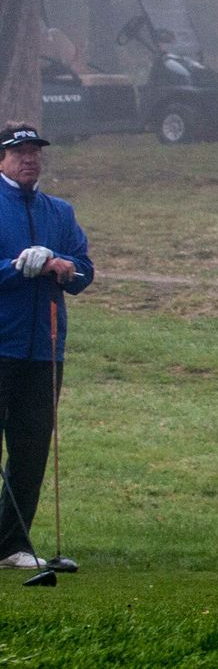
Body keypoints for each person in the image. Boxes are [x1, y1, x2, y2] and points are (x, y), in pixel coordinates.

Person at [0, 122, 93, 570]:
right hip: (1, 345)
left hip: (44, 350)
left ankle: (11, 544)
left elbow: (85, 271)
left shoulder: (59, 211)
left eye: (34, 152)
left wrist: (64, 266)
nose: (29, 159)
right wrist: (18, 267)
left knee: (31, 449)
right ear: (2, 159)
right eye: (19, 152)